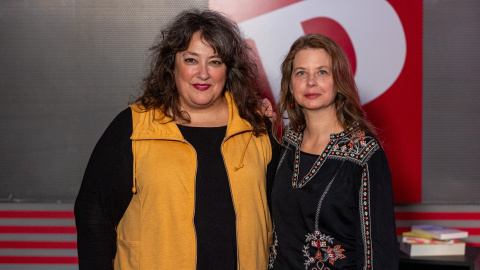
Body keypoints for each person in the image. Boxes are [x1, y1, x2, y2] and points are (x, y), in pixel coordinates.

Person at [74, 9, 279, 270]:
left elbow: (282, 215)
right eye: (191, 60)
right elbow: (94, 214)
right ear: (172, 64)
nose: (203, 73)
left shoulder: (257, 128)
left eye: (215, 62)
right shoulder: (134, 127)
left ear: (229, 70)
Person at [268, 34, 398, 269]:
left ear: (339, 83)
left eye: (322, 72)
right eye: (301, 73)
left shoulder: (364, 153)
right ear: (290, 84)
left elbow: (378, 250)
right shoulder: (287, 141)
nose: (310, 82)